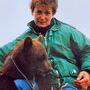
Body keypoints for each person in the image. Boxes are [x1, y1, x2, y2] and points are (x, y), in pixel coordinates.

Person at [0, 0, 90, 90]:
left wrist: (87, 71)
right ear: (32, 12)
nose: (42, 17)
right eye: (39, 12)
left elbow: (87, 50)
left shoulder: (68, 32)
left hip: (68, 84)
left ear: (53, 14)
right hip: (37, 85)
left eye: (47, 13)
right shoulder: (24, 41)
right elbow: (1, 54)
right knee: (15, 84)